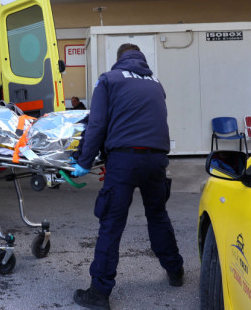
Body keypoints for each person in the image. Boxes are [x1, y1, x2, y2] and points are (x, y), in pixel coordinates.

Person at [71, 44, 184, 310]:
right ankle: (175, 271)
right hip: (156, 160)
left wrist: (84, 161)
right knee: (157, 215)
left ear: (119, 59)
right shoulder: (157, 84)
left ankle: (99, 293)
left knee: (111, 223)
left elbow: (97, 123)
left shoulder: (108, 80)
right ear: (141, 59)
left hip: (124, 160)